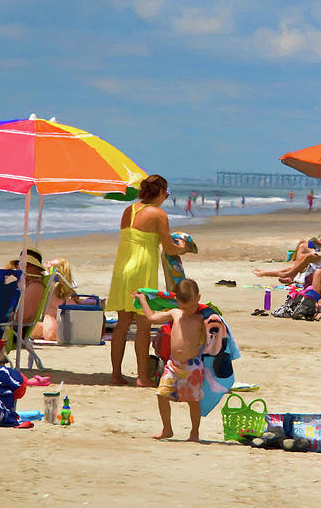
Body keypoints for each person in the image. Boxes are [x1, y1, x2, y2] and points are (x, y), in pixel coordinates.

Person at [109, 175, 189, 386]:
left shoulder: (129, 211)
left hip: (122, 268)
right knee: (144, 323)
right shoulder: (158, 214)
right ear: (161, 192)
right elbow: (169, 248)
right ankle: (142, 377)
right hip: (142, 268)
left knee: (122, 323)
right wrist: (184, 247)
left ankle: (116, 375)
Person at [133, 279, 205, 442]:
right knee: (161, 394)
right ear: (177, 301)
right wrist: (143, 300)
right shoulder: (175, 313)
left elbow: (215, 335)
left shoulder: (201, 318)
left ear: (198, 298)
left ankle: (194, 433)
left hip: (193, 367)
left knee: (192, 400)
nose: (187, 310)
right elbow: (151, 318)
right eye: (183, 306)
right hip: (173, 365)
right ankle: (167, 429)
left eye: (191, 306)